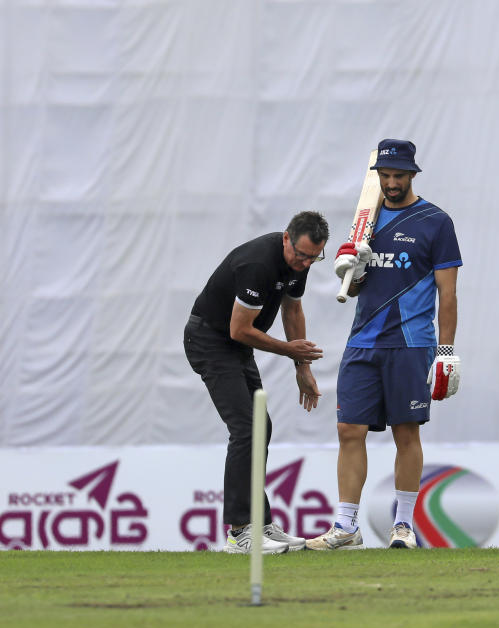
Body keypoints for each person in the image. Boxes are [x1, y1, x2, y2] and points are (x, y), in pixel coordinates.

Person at [305, 139, 462, 550]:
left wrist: (446, 352)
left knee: (406, 432)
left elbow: (448, 294)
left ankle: (404, 525)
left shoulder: (435, 221)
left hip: (411, 343)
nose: (391, 183)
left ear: (412, 174)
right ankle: (346, 527)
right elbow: (355, 288)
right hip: (362, 341)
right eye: (385, 175)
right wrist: (351, 269)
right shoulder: (365, 220)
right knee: (348, 430)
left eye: (398, 175)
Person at [184, 211, 329, 554]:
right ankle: (239, 532)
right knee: (247, 428)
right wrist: (287, 350)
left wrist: (302, 367)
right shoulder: (258, 265)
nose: (304, 263)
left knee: (260, 426)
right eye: (300, 254)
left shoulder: (298, 267)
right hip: (210, 340)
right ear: (285, 239)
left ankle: (259, 522)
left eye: (313, 257)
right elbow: (239, 329)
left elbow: (292, 312)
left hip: (235, 346)